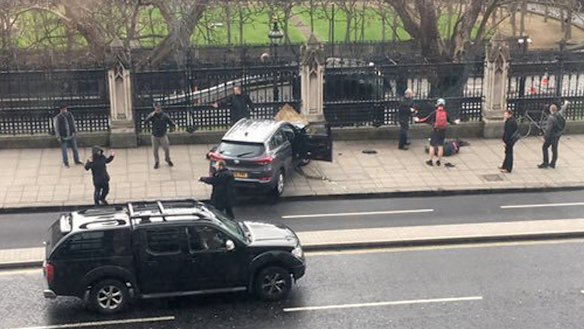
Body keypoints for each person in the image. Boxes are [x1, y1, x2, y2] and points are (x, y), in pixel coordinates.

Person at [415, 98, 460, 166]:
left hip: (436, 131)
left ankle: (430, 160)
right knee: (440, 146)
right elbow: (451, 121)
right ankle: (438, 161)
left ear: (437, 104)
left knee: (432, 146)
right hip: (443, 131)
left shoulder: (435, 113)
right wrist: (456, 122)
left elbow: (426, 119)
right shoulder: (445, 113)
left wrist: (418, 120)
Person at [145, 102, 176, 169]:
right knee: (155, 150)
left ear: (160, 108)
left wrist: (173, 125)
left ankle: (167, 159)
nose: (158, 109)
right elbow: (146, 121)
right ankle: (157, 161)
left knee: (166, 148)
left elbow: (170, 122)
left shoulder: (164, 116)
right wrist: (151, 116)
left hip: (162, 135)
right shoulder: (152, 116)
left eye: (159, 108)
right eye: (156, 108)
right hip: (154, 135)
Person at [538, 101, 569, 169]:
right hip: (557, 135)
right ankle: (553, 163)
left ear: (550, 110)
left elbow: (548, 129)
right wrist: (566, 103)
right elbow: (563, 109)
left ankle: (545, 162)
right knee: (554, 149)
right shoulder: (559, 114)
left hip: (551, 136)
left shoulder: (551, 118)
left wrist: (545, 137)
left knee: (544, 147)